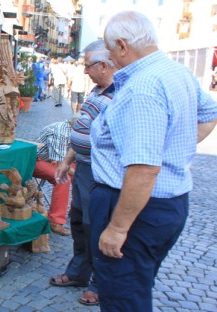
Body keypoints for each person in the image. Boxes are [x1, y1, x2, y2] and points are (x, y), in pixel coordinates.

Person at [90, 11, 217, 311]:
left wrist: (118, 228)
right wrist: (173, 146)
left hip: (135, 208)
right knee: (136, 284)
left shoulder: (142, 87)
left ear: (122, 46)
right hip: (166, 204)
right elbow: (209, 115)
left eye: (110, 50)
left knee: (124, 295)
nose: (110, 58)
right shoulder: (176, 72)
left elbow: (144, 168)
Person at [50, 39, 117, 306]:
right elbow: (83, 129)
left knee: (96, 227)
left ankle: (100, 284)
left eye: (88, 65)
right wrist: (68, 159)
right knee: (78, 222)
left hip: (101, 173)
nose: (85, 71)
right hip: (84, 167)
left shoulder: (120, 94)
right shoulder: (96, 91)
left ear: (103, 64)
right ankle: (78, 272)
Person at [32, 117, 77, 236]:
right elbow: (61, 165)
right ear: (76, 125)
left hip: (52, 159)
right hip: (36, 160)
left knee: (83, 170)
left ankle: (77, 210)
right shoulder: (61, 131)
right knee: (63, 179)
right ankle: (55, 221)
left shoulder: (75, 131)